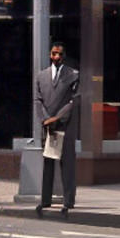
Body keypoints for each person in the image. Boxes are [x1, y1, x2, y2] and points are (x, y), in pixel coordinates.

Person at [35, 41, 80, 219]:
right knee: (48, 163)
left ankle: (68, 201)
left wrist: (58, 118)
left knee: (67, 164)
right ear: (49, 54)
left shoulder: (74, 75)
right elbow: (37, 100)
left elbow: (74, 101)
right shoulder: (41, 76)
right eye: (54, 53)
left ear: (64, 55)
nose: (57, 57)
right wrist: (46, 119)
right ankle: (45, 200)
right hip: (47, 126)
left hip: (65, 126)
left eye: (60, 54)